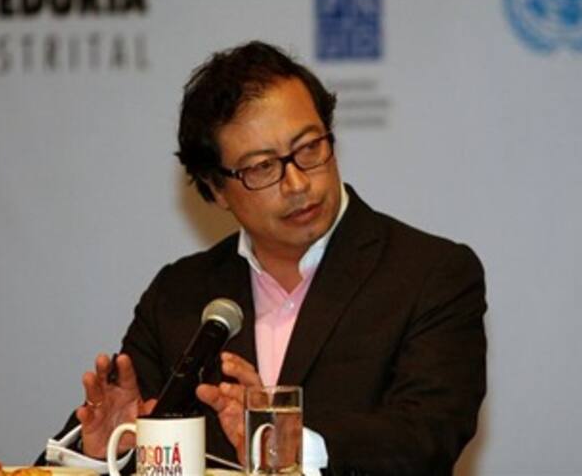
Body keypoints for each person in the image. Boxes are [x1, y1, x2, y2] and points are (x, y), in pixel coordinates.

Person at [39, 41, 487, 475]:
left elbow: (428, 438)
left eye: (309, 148)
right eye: (262, 167)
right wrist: (101, 452)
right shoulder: (179, 297)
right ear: (215, 188)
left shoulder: (429, 274)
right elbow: (66, 457)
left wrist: (293, 444)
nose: (297, 183)